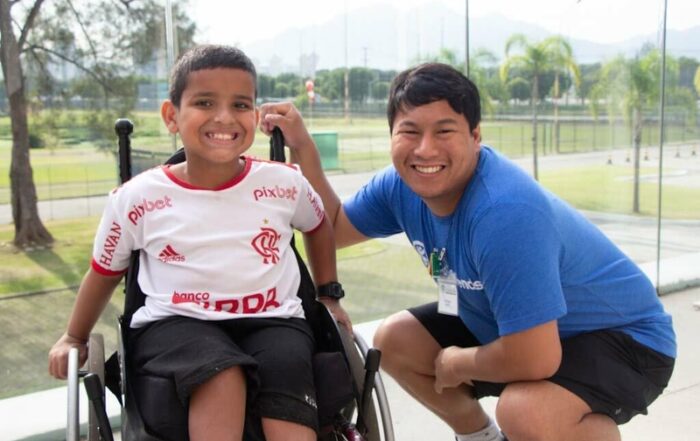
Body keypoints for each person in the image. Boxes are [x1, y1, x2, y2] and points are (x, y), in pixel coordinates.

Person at [259, 62, 676, 441]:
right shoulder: (400, 186)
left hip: (624, 339)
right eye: (409, 131)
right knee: (395, 340)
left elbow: (535, 358)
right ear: (392, 135)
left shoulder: (504, 212)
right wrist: (303, 146)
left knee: (526, 412)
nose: (425, 150)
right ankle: (481, 438)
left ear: (475, 137)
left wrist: (460, 363)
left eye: (444, 131)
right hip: (519, 327)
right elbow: (333, 227)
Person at [48, 44, 350, 441]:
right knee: (221, 375)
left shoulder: (284, 183)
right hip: (175, 324)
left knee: (288, 384)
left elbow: (318, 225)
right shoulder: (136, 199)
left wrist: (328, 294)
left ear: (256, 115)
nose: (224, 117)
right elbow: (104, 272)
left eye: (241, 105)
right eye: (205, 102)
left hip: (274, 320)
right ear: (172, 116)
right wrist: (74, 335)